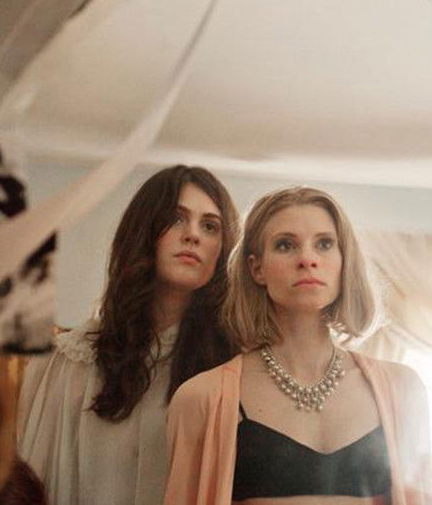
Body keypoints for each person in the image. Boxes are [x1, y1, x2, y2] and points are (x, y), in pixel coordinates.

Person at [164, 186, 432, 505]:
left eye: (324, 244)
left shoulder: (403, 389)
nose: (307, 259)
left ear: (344, 262)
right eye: (285, 245)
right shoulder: (202, 398)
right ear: (257, 268)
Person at [17, 165, 239, 505]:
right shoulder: (68, 362)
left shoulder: (234, 368)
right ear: (144, 230)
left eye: (210, 226)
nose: (193, 235)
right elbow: (33, 482)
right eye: (176, 218)